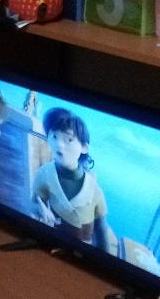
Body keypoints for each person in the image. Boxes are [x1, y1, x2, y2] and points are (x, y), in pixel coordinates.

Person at [31, 108, 116, 254]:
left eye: (69, 140)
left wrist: (102, 263)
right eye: (54, 136)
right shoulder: (45, 173)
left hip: (81, 254)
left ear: (84, 147)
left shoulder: (94, 190)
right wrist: (41, 214)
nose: (59, 144)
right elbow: (34, 205)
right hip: (48, 244)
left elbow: (101, 231)